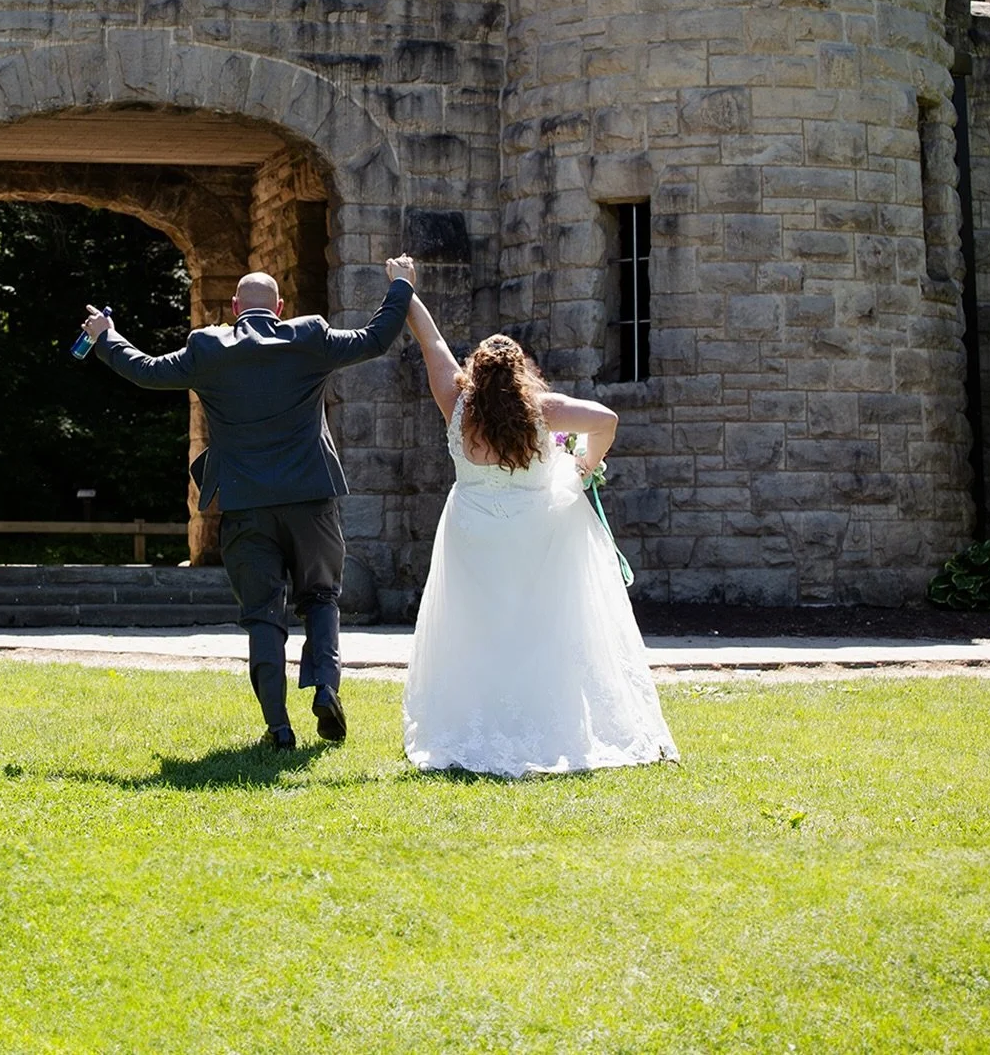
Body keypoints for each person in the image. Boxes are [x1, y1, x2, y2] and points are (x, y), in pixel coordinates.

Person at [78, 263, 415, 750]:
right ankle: (324, 688)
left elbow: (145, 370)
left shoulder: (207, 348)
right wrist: (401, 284)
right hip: (310, 502)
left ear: (235, 310)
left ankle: (278, 727)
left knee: (262, 614)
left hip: (246, 505)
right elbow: (376, 337)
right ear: (279, 310)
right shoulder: (310, 337)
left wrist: (107, 337)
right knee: (320, 598)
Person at [395, 259, 679, 777]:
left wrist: (406, 290)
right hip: (538, 534)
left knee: (477, 630)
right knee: (542, 628)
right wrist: (584, 465)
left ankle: (478, 723)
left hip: (474, 536)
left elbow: (431, 344)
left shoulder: (455, 405)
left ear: (474, 374)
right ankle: (550, 722)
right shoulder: (545, 411)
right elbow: (608, 420)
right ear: (521, 372)